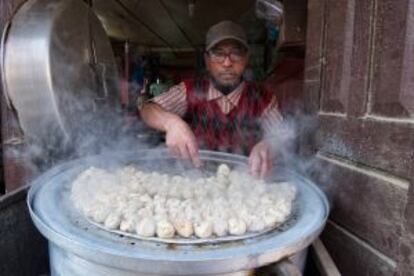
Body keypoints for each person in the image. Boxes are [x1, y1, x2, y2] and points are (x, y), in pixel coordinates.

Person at [139, 21, 282, 178]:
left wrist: (270, 144)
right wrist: (171, 123)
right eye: (218, 54)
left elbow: (281, 134)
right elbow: (148, 109)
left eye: (235, 53)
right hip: (197, 181)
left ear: (246, 58)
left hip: (244, 185)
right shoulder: (190, 90)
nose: (227, 63)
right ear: (207, 60)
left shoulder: (263, 98)